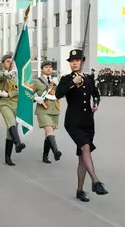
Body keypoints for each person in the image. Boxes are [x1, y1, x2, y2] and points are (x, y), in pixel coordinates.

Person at [55, 49, 108, 202]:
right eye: (72, 61)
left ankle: (79, 190)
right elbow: (58, 94)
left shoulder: (90, 78)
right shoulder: (66, 79)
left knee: (82, 157)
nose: (74, 63)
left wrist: (96, 103)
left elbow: (96, 94)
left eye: (77, 60)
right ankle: (96, 181)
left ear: (82, 62)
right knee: (85, 148)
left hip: (88, 121)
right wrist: (73, 82)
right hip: (73, 122)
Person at [0, 53, 26, 166]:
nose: (10, 63)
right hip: (4, 103)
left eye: (12, 61)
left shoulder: (18, 76)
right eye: (8, 61)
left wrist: (9, 94)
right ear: (3, 63)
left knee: (11, 131)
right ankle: (18, 143)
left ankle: (8, 157)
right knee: (11, 122)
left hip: (16, 103)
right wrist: (5, 74)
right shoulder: (0, 73)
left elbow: (21, 90)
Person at [33, 61, 63, 164]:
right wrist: (35, 98)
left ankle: (45, 156)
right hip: (43, 109)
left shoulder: (55, 80)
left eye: (50, 67)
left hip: (54, 109)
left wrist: (59, 85)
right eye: (46, 67)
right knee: (49, 129)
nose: (49, 69)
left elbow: (61, 95)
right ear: (42, 69)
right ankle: (56, 151)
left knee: (48, 133)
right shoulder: (37, 81)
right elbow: (28, 93)